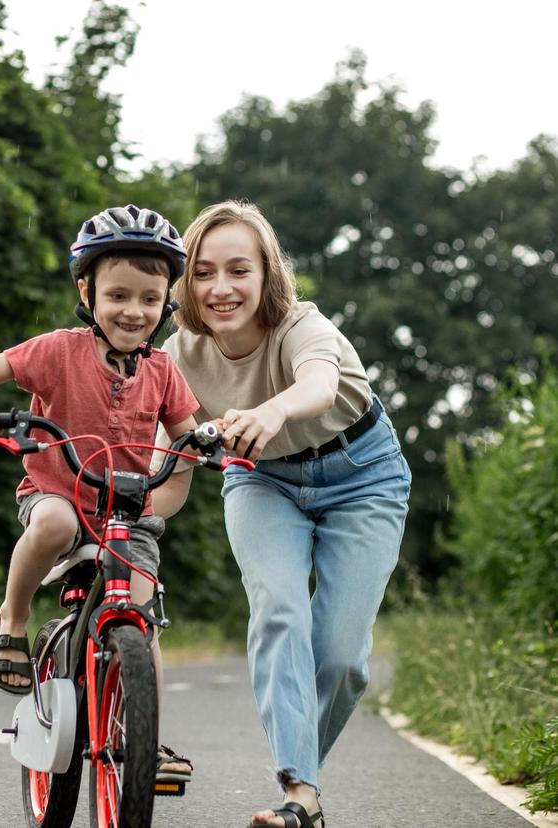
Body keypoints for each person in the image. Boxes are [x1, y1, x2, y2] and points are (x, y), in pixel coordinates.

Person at [151, 200, 411, 828]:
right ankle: (300, 796)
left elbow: (318, 386)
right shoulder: (178, 356)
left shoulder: (304, 326)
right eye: (204, 272)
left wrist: (269, 414)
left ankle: (303, 781)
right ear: (186, 281)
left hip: (363, 477)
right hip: (260, 481)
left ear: (268, 273)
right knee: (279, 611)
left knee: (342, 660)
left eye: (239, 270)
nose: (221, 288)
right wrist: (131, 518)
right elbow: (173, 466)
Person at [0, 204, 200, 783]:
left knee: (141, 615)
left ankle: (147, 742)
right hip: (55, 492)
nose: (133, 310)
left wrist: (212, 442)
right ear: (87, 294)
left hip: (126, 514)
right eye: (118, 296)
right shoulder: (59, 351)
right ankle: (11, 624)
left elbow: (191, 430)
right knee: (56, 525)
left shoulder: (163, 371)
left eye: (148, 298)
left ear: (166, 303)